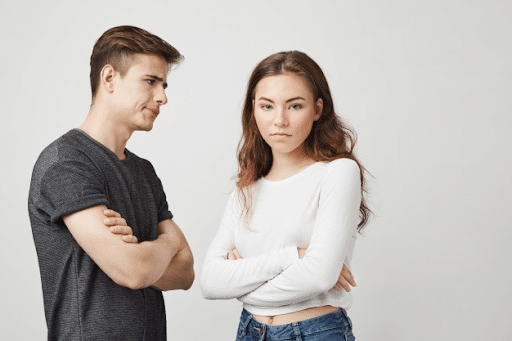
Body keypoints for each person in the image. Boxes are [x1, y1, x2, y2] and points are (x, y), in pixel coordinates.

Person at [28, 25, 194, 341]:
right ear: (109, 79)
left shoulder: (144, 171)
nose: (162, 97)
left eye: (164, 85)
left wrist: (145, 256)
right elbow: (132, 271)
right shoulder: (66, 163)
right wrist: (168, 244)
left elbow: (186, 272)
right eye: (150, 82)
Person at [201, 51, 370, 340]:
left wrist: (242, 280)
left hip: (315, 332)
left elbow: (318, 276)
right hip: (249, 330)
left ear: (317, 110)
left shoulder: (338, 173)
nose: (279, 120)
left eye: (294, 106)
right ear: (253, 109)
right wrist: (293, 256)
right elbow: (210, 282)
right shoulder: (247, 187)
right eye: (267, 106)